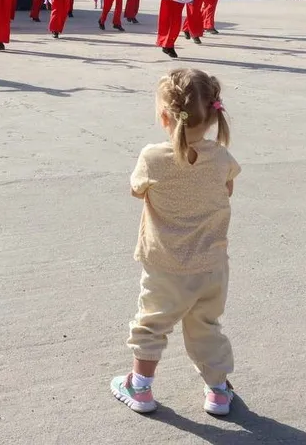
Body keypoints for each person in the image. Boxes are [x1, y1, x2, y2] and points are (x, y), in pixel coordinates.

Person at [110, 67, 240, 417]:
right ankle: (217, 392)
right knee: (206, 327)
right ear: (213, 116)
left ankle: (140, 387)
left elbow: (137, 190)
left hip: (166, 264)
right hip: (212, 264)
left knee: (151, 324)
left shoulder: (153, 157)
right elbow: (228, 187)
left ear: (165, 116)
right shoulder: (221, 156)